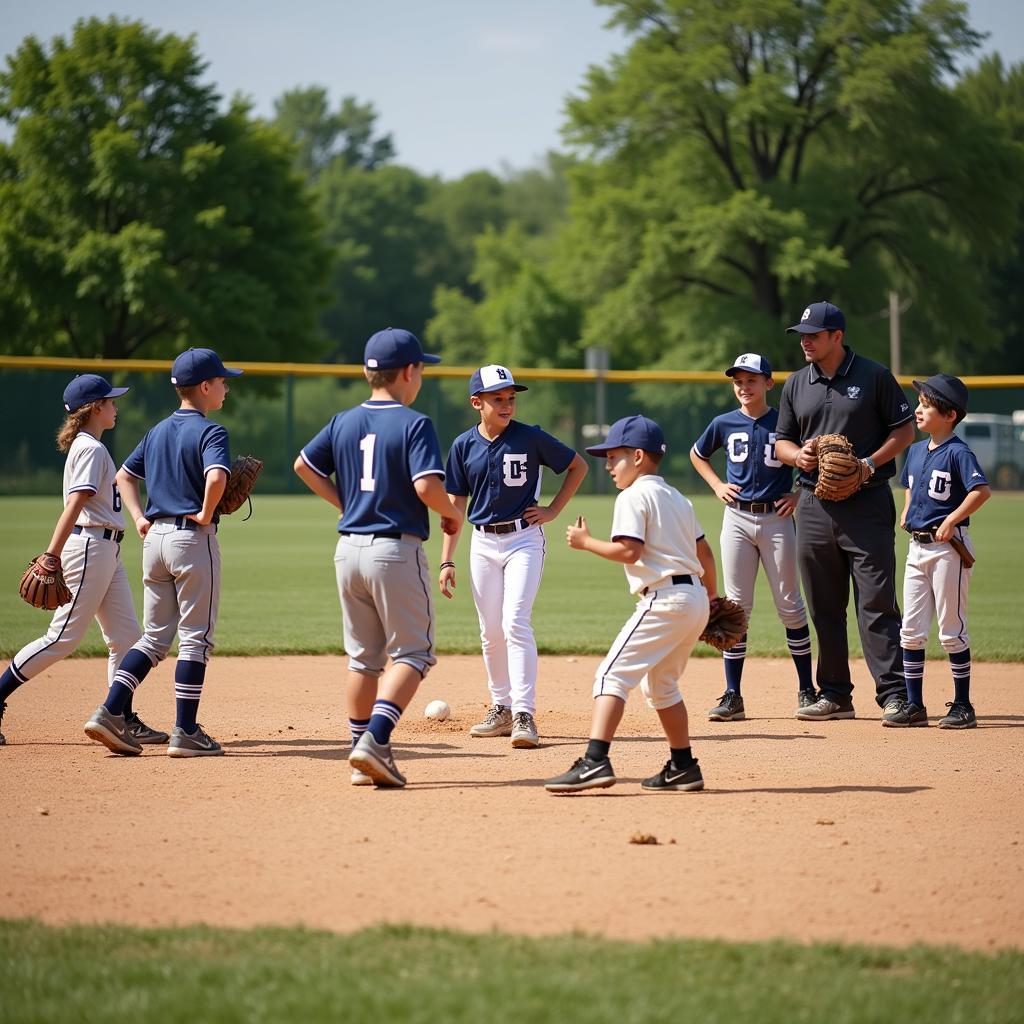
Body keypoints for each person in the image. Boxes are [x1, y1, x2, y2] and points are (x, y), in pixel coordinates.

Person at [294, 327, 462, 789]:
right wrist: (451, 515)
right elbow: (428, 486)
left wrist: (347, 505)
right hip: (394, 549)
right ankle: (376, 739)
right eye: (421, 369)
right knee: (413, 653)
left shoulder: (343, 420)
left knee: (364, 659)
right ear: (408, 372)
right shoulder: (414, 423)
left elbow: (303, 466)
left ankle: (359, 753)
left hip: (348, 549)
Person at [544, 415, 716, 794]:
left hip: (665, 599)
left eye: (613, 457)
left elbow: (628, 550)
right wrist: (712, 599)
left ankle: (594, 761)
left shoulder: (633, 495)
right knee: (663, 686)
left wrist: (585, 542)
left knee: (611, 676)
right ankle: (683, 766)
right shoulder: (678, 498)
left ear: (638, 456)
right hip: (693, 600)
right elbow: (705, 553)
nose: (607, 466)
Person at [84, 348, 242, 757]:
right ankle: (186, 731)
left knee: (154, 639)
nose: (226, 386)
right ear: (205, 387)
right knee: (195, 640)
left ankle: (109, 710)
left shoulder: (156, 431)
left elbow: (124, 476)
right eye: (222, 380)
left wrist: (138, 518)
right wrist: (207, 511)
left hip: (154, 543)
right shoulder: (212, 432)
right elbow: (218, 475)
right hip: (192, 539)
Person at [0, 375, 165, 749]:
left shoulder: (89, 445)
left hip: (107, 548)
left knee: (125, 638)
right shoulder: (90, 449)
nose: (115, 406)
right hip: (90, 547)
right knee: (61, 639)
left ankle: (120, 716)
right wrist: (50, 554)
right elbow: (75, 506)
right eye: (109, 401)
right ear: (94, 408)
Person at [774, 301, 915, 723]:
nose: (805, 341)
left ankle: (894, 695)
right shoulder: (797, 383)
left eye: (813, 335)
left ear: (838, 335)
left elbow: (905, 429)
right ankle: (835, 694)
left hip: (866, 502)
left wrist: (869, 464)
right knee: (823, 605)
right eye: (802, 335)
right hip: (814, 506)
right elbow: (781, 441)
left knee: (875, 602)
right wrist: (798, 457)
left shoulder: (874, 376)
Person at [438, 364, 588, 748]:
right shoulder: (462, 446)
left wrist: (553, 511)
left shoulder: (531, 437)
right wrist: (447, 559)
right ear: (477, 402)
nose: (506, 404)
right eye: (497, 399)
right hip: (483, 544)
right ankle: (500, 707)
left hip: (524, 540)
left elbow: (577, 465)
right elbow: (455, 506)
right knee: (490, 632)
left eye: (511, 398)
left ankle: (524, 714)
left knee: (515, 622)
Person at [690, 353, 815, 721]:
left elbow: (811, 458)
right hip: (738, 519)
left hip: (777, 519)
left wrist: (799, 492)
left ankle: (807, 690)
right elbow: (698, 455)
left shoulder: (785, 421)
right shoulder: (723, 422)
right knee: (737, 608)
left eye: (751, 380)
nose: (744, 387)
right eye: (738, 381)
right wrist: (715, 484)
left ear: (768, 384)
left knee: (789, 604)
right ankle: (732, 695)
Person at [887, 374, 990, 729]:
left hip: (949, 548)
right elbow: (910, 487)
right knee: (911, 631)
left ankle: (963, 705)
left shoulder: (959, 452)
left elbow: (980, 491)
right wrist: (906, 509)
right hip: (917, 549)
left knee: (950, 630)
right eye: (920, 403)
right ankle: (914, 705)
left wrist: (953, 519)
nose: (918, 409)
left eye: (926, 405)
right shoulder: (916, 451)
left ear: (949, 415)